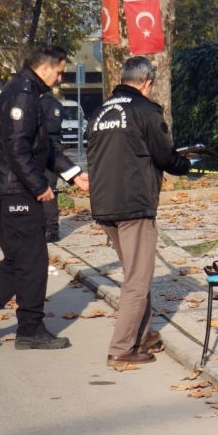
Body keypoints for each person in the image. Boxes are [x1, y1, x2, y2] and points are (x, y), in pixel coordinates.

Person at [0, 47, 90, 349]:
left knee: (20, 260)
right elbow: (17, 147)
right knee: (33, 261)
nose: (60, 76)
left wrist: (73, 173)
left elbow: (43, 147)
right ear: (45, 69)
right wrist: (39, 185)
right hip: (14, 191)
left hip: (7, 189)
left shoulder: (27, 92)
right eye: (59, 70)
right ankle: (30, 329)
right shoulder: (24, 95)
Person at [86, 56, 194, 367]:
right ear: (146, 82)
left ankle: (142, 335)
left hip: (105, 205)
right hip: (135, 206)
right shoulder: (147, 111)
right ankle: (121, 350)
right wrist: (185, 164)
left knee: (137, 273)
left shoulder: (99, 112)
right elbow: (165, 156)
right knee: (137, 279)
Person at [39, 90, 71, 243]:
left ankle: (52, 230)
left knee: (49, 190)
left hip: (51, 152)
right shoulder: (27, 102)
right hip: (31, 153)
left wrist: (33, 123)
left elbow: (53, 126)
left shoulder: (52, 104)